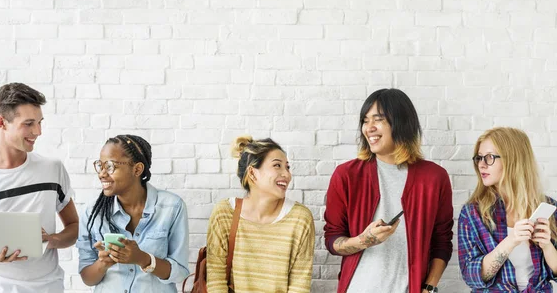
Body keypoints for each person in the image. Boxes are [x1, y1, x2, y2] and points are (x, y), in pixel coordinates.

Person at [323, 88, 453, 293]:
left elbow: (442, 241)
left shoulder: (435, 177)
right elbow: (332, 240)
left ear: (401, 122)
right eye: (365, 121)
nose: (369, 128)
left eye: (378, 119)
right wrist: (365, 240)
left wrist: (428, 287)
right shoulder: (346, 175)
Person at [0, 82, 79, 293]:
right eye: (29, 123)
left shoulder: (52, 169)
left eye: (40, 122)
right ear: (2, 122)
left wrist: (52, 240)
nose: (38, 131)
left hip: (48, 288)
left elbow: (74, 226)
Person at [76, 134, 189, 293]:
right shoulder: (92, 212)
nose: (102, 173)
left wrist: (143, 259)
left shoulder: (172, 207)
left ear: (137, 169)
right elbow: (87, 278)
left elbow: (180, 273)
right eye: (100, 165)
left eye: (110, 166)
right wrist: (102, 263)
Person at [206, 136, 315, 293]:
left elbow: (300, 285)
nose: (287, 174)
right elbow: (215, 280)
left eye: (288, 167)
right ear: (252, 173)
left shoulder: (300, 218)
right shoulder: (224, 213)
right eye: (277, 165)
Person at [458, 127, 557, 292]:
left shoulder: (549, 208)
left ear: (514, 159)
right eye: (479, 158)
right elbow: (471, 276)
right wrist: (511, 241)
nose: (481, 165)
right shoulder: (472, 213)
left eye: (489, 157)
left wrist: (547, 246)